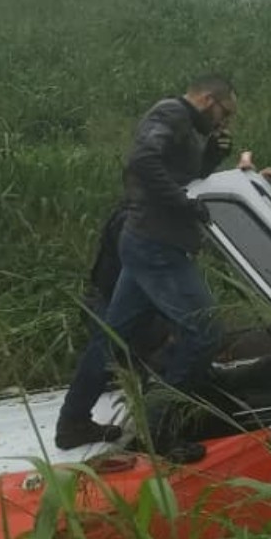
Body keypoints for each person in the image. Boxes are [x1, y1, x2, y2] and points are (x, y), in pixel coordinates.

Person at [54, 74, 245, 451]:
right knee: (204, 333)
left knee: (112, 338)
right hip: (157, 247)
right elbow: (142, 160)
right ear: (209, 99)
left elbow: (179, 175)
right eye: (225, 112)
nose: (225, 121)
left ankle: (72, 422)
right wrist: (183, 204)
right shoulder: (171, 113)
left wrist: (213, 154)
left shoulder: (185, 125)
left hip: (146, 243)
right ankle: (159, 430)